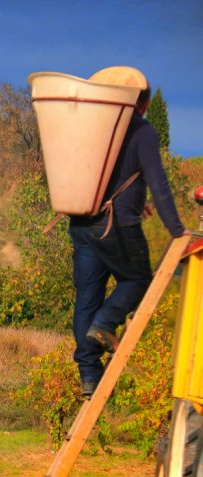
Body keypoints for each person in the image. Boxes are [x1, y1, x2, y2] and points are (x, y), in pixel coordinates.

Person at [69, 67, 188, 398]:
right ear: (144, 103)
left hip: (82, 224)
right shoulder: (140, 129)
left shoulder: (90, 125)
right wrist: (176, 229)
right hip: (116, 227)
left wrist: (139, 203)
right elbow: (158, 182)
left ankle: (89, 377)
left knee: (86, 301)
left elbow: (105, 177)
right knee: (137, 280)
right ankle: (106, 325)